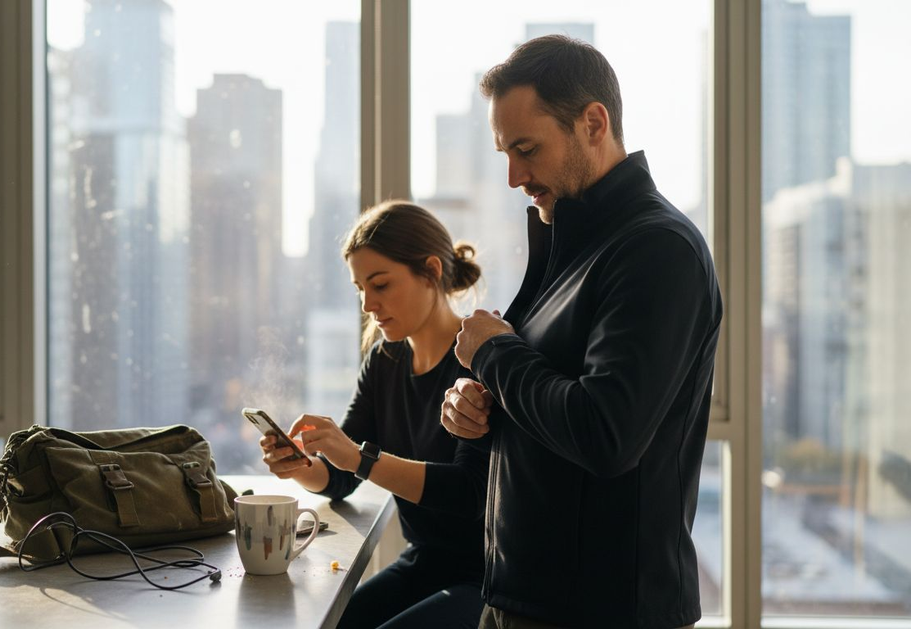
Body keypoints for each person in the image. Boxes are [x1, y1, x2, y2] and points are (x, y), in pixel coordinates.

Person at [440, 35, 723, 629]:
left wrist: (494, 354)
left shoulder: (656, 249)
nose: (515, 175)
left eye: (526, 148)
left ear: (594, 122)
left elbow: (604, 432)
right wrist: (482, 413)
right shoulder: (572, 242)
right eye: (505, 153)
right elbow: (549, 401)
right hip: (526, 597)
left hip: (601, 611)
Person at [260, 200, 489, 629]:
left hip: (488, 580)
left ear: (432, 272)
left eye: (380, 285)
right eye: (360, 288)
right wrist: (303, 466)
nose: (367, 304)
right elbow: (342, 476)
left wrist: (360, 459)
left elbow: (470, 493)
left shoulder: (479, 360)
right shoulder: (385, 361)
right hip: (425, 561)